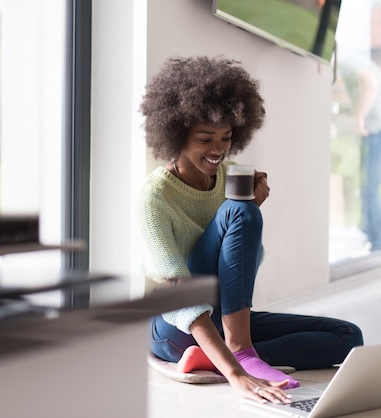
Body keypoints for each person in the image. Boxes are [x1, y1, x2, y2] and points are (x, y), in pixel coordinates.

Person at [136, 56, 364, 404]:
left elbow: (241, 272)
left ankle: (209, 359)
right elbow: (180, 298)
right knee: (239, 211)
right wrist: (235, 372)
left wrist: (248, 215)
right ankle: (237, 354)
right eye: (205, 138)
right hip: (175, 326)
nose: (218, 150)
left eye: (226, 138)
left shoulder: (228, 179)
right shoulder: (155, 198)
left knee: (348, 336)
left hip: (222, 319)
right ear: (177, 134)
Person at [337, 56, 381, 252]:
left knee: (370, 189)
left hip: (380, 134)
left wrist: (358, 117)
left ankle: (378, 243)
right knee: (366, 188)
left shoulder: (349, 63)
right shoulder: (359, 63)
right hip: (377, 134)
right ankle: (370, 233)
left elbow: (371, 85)